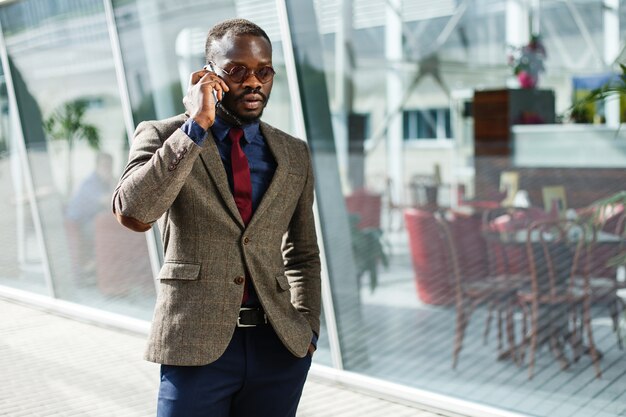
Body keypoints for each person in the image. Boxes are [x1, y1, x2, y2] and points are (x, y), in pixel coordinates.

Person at [111, 18, 321, 417]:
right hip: (195, 344)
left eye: (264, 71)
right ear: (209, 76)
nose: (253, 82)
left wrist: (307, 328)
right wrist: (196, 127)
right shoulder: (162, 135)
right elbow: (134, 214)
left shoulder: (293, 153)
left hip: (278, 346)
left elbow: (303, 253)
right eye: (237, 71)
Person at [66, 152, 114, 282]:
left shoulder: (105, 182)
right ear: (97, 166)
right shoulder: (91, 182)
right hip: (78, 223)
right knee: (107, 233)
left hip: (91, 220)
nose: (108, 168)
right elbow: (107, 201)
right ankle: (92, 268)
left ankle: (99, 268)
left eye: (110, 165)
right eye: (105, 165)